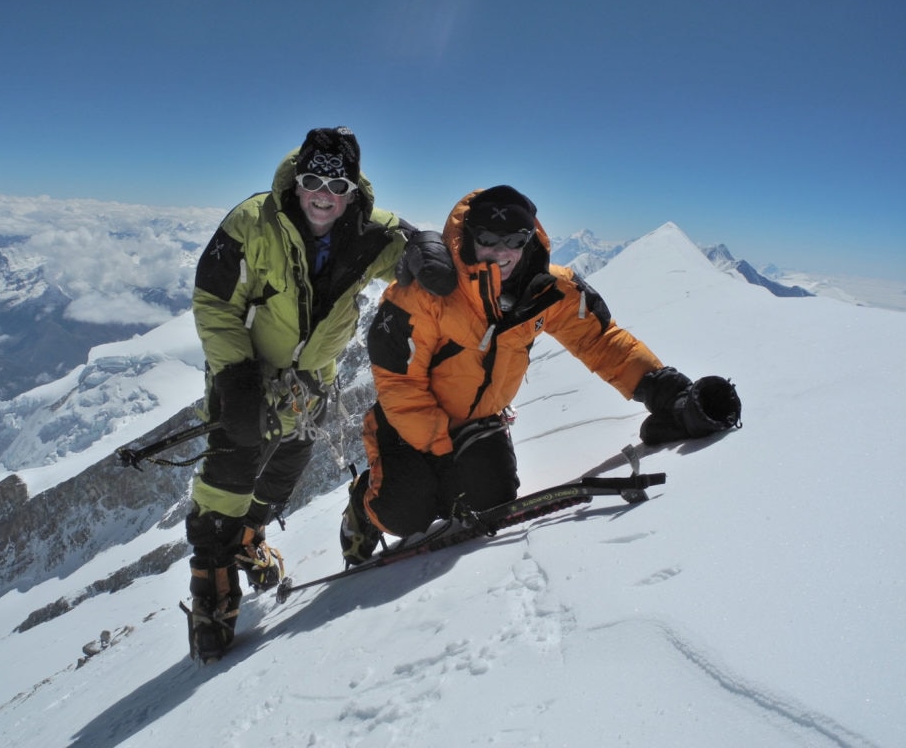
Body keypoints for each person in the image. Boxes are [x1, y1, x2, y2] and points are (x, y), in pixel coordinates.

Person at [341, 185, 741, 564]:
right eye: (488, 241)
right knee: (404, 513)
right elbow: (398, 383)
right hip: (408, 422)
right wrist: (440, 448)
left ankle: (447, 480)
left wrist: (663, 389)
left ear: (529, 240)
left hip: (480, 421)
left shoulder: (549, 291)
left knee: (490, 506)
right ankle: (362, 504)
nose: (502, 253)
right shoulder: (428, 293)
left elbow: (602, 341)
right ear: (468, 238)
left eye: (514, 241)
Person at [185, 126, 456, 662]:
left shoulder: (370, 230)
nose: (323, 194)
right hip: (245, 377)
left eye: (336, 185)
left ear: (352, 189)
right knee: (229, 471)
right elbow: (214, 302)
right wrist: (236, 379)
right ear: (297, 180)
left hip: (309, 387)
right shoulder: (251, 222)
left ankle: (248, 538)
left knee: (286, 464)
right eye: (312, 180)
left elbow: (410, 250)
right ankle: (211, 597)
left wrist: (427, 250)